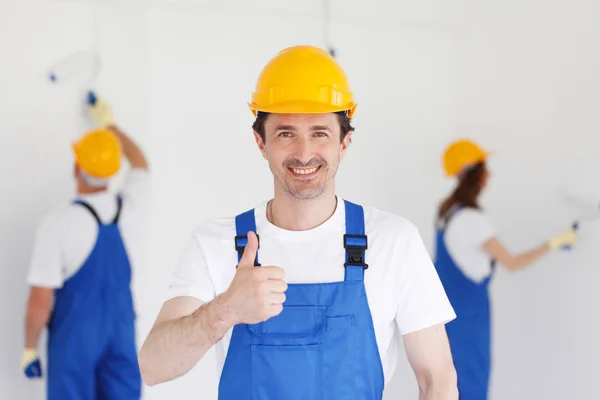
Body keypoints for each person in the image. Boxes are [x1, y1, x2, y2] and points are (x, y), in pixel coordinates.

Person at [138, 45, 458, 399]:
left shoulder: (393, 241)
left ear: (344, 143)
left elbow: (437, 379)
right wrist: (226, 309)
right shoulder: (216, 243)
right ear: (261, 143)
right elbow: (153, 367)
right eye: (286, 133)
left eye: (320, 133)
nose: (304, 153)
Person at [21, 96, 150, 400]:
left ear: (76, 166)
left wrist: (29, 348)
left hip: (74, 339)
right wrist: (109, 125)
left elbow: (40, 299)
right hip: (120, 332)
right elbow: (141, 163)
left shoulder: (58, 223)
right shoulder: (131, 207)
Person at [433, 138, 577, 400]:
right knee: (472, 380)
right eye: (486, 168)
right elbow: (512, 263)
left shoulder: (447, 212)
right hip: (469, 314)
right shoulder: (472, 220)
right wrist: (554, 243)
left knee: (448, 382)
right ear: (476, 173)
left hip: (445, 312)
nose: (490, 174)